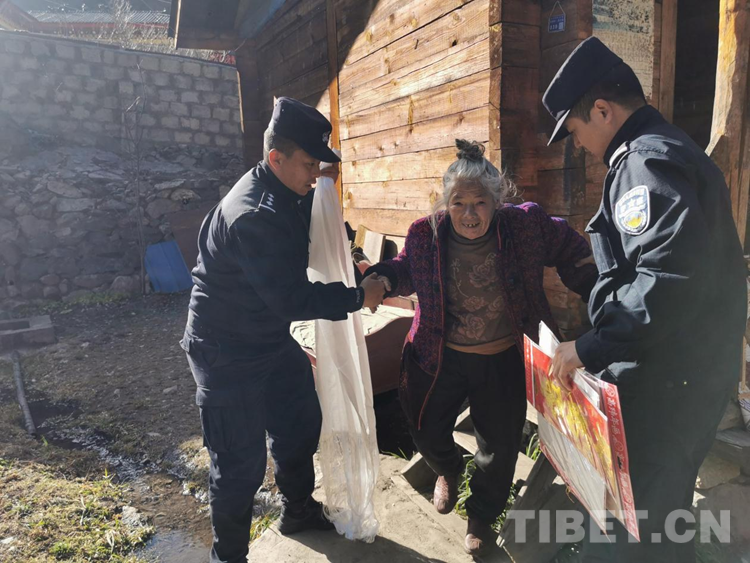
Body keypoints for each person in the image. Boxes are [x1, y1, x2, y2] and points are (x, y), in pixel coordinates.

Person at [545, 37, 747, 562]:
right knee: (661, 519)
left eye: (575, 131)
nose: (579, 146)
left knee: (631, 529)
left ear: (603, 110)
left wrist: (590, 347)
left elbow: (669, 277)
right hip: (685, 376)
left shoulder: (644, 162)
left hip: (667, 387)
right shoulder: (664, 149)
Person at [365, 139, 598, 555]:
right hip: (439, 355)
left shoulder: (524, 226)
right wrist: (382, 279)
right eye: (459, 203)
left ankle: (481, 516)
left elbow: (569, 248)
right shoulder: (426, 233)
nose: (469, 214)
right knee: (424, 426)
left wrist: (599, 292)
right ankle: (448, 469)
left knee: (500, 445)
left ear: (497, 202)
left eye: (479, 203)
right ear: (445, 204)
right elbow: (405, 268)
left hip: (503, 358)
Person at [180, 97, 386, 563]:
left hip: (266, 337)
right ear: (276, 158)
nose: (316, 175)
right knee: (239, 465)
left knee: (300, 422)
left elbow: (313, 231)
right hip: (225, 349)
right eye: (310, 164)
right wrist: (357, 297)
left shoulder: (287, 189)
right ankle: (228, 557)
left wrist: (350, 259)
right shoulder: (254, 214)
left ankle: (298, 510)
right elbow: (293, 299)